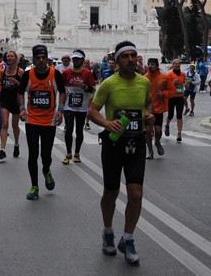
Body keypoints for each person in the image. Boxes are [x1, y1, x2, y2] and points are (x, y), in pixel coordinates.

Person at [87, 41, 154, 265]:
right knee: (111, 192)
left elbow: (148, 104)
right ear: (116, 61)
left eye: (134, 55)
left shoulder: (144, 83)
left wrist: (149, 116)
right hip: (113, 144)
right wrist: (107, 123)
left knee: (136, 194)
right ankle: (108, 231)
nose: (131, 59)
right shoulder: (108, 84)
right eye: (125, 56)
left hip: (136, 143)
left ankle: (128, 237)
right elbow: (92, 112)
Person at [17, 45, 66, 200]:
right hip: (32, 120)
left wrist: (60, 110)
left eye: (43, 57)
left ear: (47, 58)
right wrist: (22, 108)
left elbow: (62, 92)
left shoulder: (55, 74)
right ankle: (34, 186)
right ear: (33, 58)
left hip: (49, 121)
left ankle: (46, 170)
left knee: (46, 155)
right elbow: (20, 92)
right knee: (33, 154)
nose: (41, 60)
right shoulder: (27, 75)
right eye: (37, 58)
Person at [60, 49, 96, 164]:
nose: (75, 61)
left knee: (79, 131)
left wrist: (84, 86)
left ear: (82, 60)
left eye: (78, 59)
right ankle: (68, 153)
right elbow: (60, 88)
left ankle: (77, 153)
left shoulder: (87, 73)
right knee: (68, 129)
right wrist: (60, 105)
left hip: (82, 106)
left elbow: (93, 89)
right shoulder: (66, 73)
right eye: (74, 59)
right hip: (69, 106)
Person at [0, 50, 24, 160]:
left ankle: (16, 144)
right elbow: (1, 82)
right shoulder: (3, 71)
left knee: (14, 125)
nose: (9, 58)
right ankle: (2, 150)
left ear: (16, 59)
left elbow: (24, 88)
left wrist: (16, 82)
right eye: (8, 56)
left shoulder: (20, 72)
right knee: (5, 124)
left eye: (11, 56)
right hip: (5, 100)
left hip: (16, 101)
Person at [144, 58, 169, 159]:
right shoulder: (144, 78)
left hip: (158, 108)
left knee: (158, 131)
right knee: (148, 131)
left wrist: (164, 93)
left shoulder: (164, 77)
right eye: (149, 64)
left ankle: (157, 142)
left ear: (157, 65)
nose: (150, 66)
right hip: (147, 109)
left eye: (152, 64)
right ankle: (150, 151)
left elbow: (171, 90)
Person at [164, 59, 186, 142]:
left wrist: (185, 85)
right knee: (171, 115)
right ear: (173, 65)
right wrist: (173, 83)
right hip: (171, 97)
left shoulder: (183, 74)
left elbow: (183, 84)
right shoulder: (170, 74)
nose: (177, 64)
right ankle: (167, 125)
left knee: (179, 115)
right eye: (176, 63)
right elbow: (167, 86)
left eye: (179, 63)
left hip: (180, 96)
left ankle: (179, 133)